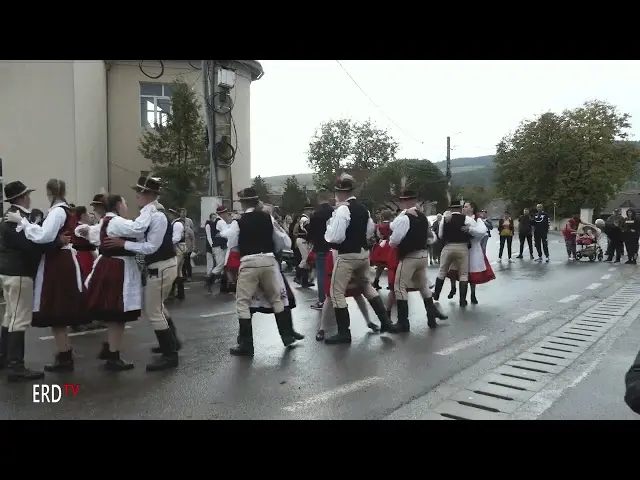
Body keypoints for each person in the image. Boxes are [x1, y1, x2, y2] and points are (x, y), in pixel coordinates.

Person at [4, 179, 89, 372]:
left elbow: (43, 236)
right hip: (58, 260)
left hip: (59, 262)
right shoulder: (62, 210)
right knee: (55, 311)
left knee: (56, 310)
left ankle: (64, 356)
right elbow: (44, 237)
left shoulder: (58, 211)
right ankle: (63, 355)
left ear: (49, 192)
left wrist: (24, 223)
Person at [100, 176, 180, 371]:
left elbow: (151, 246)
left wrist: (122, 244)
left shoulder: (156, 215)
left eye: (141, 192)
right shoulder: (149, 212)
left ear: (149, 195)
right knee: (157, 308)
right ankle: (171, 344)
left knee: (154, 311)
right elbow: (138, 229)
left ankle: (170, 354)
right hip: (160, 265)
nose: (137, 195)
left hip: (161, 265)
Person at [0, 181, 66, 381]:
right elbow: (31, 246)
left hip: (9, 272)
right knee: (19, 319)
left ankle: (4, 359)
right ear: (22, 197)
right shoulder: (14, 219)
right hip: (19, 272)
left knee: (10, 317)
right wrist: (57, 243)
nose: (29, 198)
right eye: (27, 194)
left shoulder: (13, 217)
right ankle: (15, 365)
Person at [224, 188, 297, 356]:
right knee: (276, 299)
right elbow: (282, 241)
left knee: (243, 302)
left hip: (249, 261)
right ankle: (286, 336)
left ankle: (246, 345)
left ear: (242, 203)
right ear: (257, 201)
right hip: (269, 260)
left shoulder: (238, 222)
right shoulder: (268, 218)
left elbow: (233, 244)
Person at [323, 174, 393, 344]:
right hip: (363, 254)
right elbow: (370, 232)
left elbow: (336, 237)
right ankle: (385, 321)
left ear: (339, 193)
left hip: (346, 256)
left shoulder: (342, 210)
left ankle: (344, 332)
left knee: (336, 292)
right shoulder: (363, 209)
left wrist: (329, 229)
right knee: (366, 286)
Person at [83, 194, 141, 371]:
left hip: (112, 265)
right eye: (124, 202)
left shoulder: (108, 221)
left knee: (115, 314)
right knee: (117, 314)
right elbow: (139, 229)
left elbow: (92, 235)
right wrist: (150, 212)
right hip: (117, 267)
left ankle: (110, 349)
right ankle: (113, 356)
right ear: (117, 205)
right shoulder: (116, 222)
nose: (126, 205)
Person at [389, 187, 448, 331]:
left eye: (403, 200)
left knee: (399, 286)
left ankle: (403, 322)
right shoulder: (422, 217)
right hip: (423, 255)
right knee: (423, 285)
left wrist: (392, 242)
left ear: (405, 202)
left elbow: (394, 239)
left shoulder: (404, 218)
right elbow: (431, 237)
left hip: (410, 256)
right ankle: (431, 313)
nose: (403, 203)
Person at [316, 247, 380, 341]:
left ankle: (369, 322)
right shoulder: (333, 251)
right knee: (330, 298)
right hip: (339, 257)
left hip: (351, 258)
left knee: (357, 295)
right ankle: (322, 329)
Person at [446, 202, 495, 304]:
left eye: (466, 206)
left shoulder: (477, 220)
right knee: (455, 271)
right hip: (460, 247)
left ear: (472, 208)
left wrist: (470, 229)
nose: (463, 208)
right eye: (463, 207)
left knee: (472, 273)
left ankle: (472, 294)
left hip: (473, 248)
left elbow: (482, 231)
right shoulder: (460, 218)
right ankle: (456, 291)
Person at [433, 202, 473, 306]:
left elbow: (440, 235)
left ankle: (437, 293)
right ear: (460, 209)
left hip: (448, 246)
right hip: (462, 247)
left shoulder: (444, 219)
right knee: (463, 274)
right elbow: (474, 231)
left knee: (442, 271)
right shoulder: (466, 219)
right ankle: (462, 300)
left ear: (450, 209)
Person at [307, 190, 334, 311]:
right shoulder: (334, 212)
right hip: (333, 246)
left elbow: (311, 232)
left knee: (321, 274)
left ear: (319, 199)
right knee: (334, 274)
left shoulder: (315, 214)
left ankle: (322, 300)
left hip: (320, 246)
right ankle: (335, 298)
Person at [205, 207, 230, 291]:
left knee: (223, 264)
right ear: (223, 213)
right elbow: (226, 234)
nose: (227, 215)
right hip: (219, 246)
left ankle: (223, 287)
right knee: (221, 264)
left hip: (217, 246)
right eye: (226, 213)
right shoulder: (221, 222)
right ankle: (209, 282)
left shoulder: (216, 221)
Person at [73, 206, 98, 280]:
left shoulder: (84, 226)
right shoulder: (81, 227)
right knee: (87, 276)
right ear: (83, 215)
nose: (89, 216)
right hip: (84, 255)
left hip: (88, 254)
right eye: (87, 213)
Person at [370, 209, 393, 290]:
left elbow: (378, 235)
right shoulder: (391, 225)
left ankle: (376, 281)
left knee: (380, 267)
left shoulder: (379, 225)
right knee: (391, 266)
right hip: (390, 245)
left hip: (381, 245)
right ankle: (391, 283)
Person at [167, 208, 187, 300]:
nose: (169, 216)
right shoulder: (176, 223)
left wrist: (167, 243)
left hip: (178, 248)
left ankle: (173, 292)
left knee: (174, 270)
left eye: (170, 214)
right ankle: (179, 293)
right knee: (178, 271)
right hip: (179, 247)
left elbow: (176, 238)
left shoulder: (177, 224)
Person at [295, 205, 315, 288]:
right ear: (306, 210)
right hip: (303, 240)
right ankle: (298, 277)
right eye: (310, 210)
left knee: (307, 260)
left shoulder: (305, 218)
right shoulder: (305, 219)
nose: (311, 211)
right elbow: (308, 229)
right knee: (306, 259)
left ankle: (305, 281)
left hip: (303, 240)